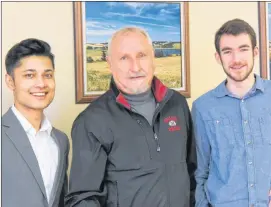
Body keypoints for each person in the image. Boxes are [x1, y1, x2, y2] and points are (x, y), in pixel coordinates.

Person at [65, 27, 196, 207]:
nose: (135, 67)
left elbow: (193, 175)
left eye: (141, 55)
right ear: (110, 63)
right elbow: (82, 198)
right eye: (124, 58)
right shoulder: (91, 120)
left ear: (153, 58)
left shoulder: (177, 104)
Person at [192, 18, 271, 207]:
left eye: (243, 49)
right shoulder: (203, 107)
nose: (236, 59)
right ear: (218, 57)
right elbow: (201, 170)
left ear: (255, 52)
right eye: (227, 51)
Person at [2, 38, 69, 207]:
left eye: (48, 75)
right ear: (10, 81)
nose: (41, 84)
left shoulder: (61, 140)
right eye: (29, 75)